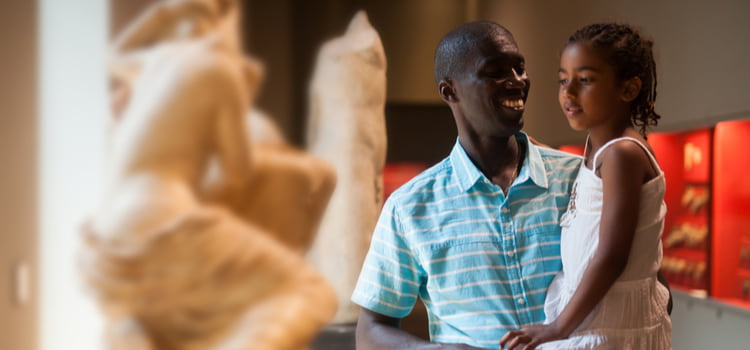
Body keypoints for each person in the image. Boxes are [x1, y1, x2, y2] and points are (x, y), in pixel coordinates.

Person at [352, 21, 582, 349]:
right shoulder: (409, 208)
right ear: (450, 91)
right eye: (494, 72)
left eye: (519, 67)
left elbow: (643, 287)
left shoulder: (579, 179)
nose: (517, 81)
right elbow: (370, 330)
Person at [500, 23, 672, 349]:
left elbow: (612, 255)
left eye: (585, 80)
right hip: (596, 313)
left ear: (629, 89)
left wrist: (558, 329)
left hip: (609, 325)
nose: (568, 92)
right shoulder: (598, 144)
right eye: (563, 80)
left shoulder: (622, 153)